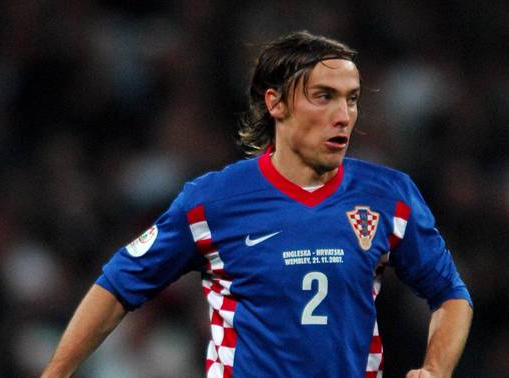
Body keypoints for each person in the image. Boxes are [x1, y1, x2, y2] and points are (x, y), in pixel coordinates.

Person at [42, 31, 472, 378]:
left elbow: (451, 295)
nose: (344, 114)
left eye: (352, 98)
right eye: (324, 96)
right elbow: (117, 285)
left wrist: (435, 369)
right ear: (276, 103)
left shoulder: (388, 195)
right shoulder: (213, 202)